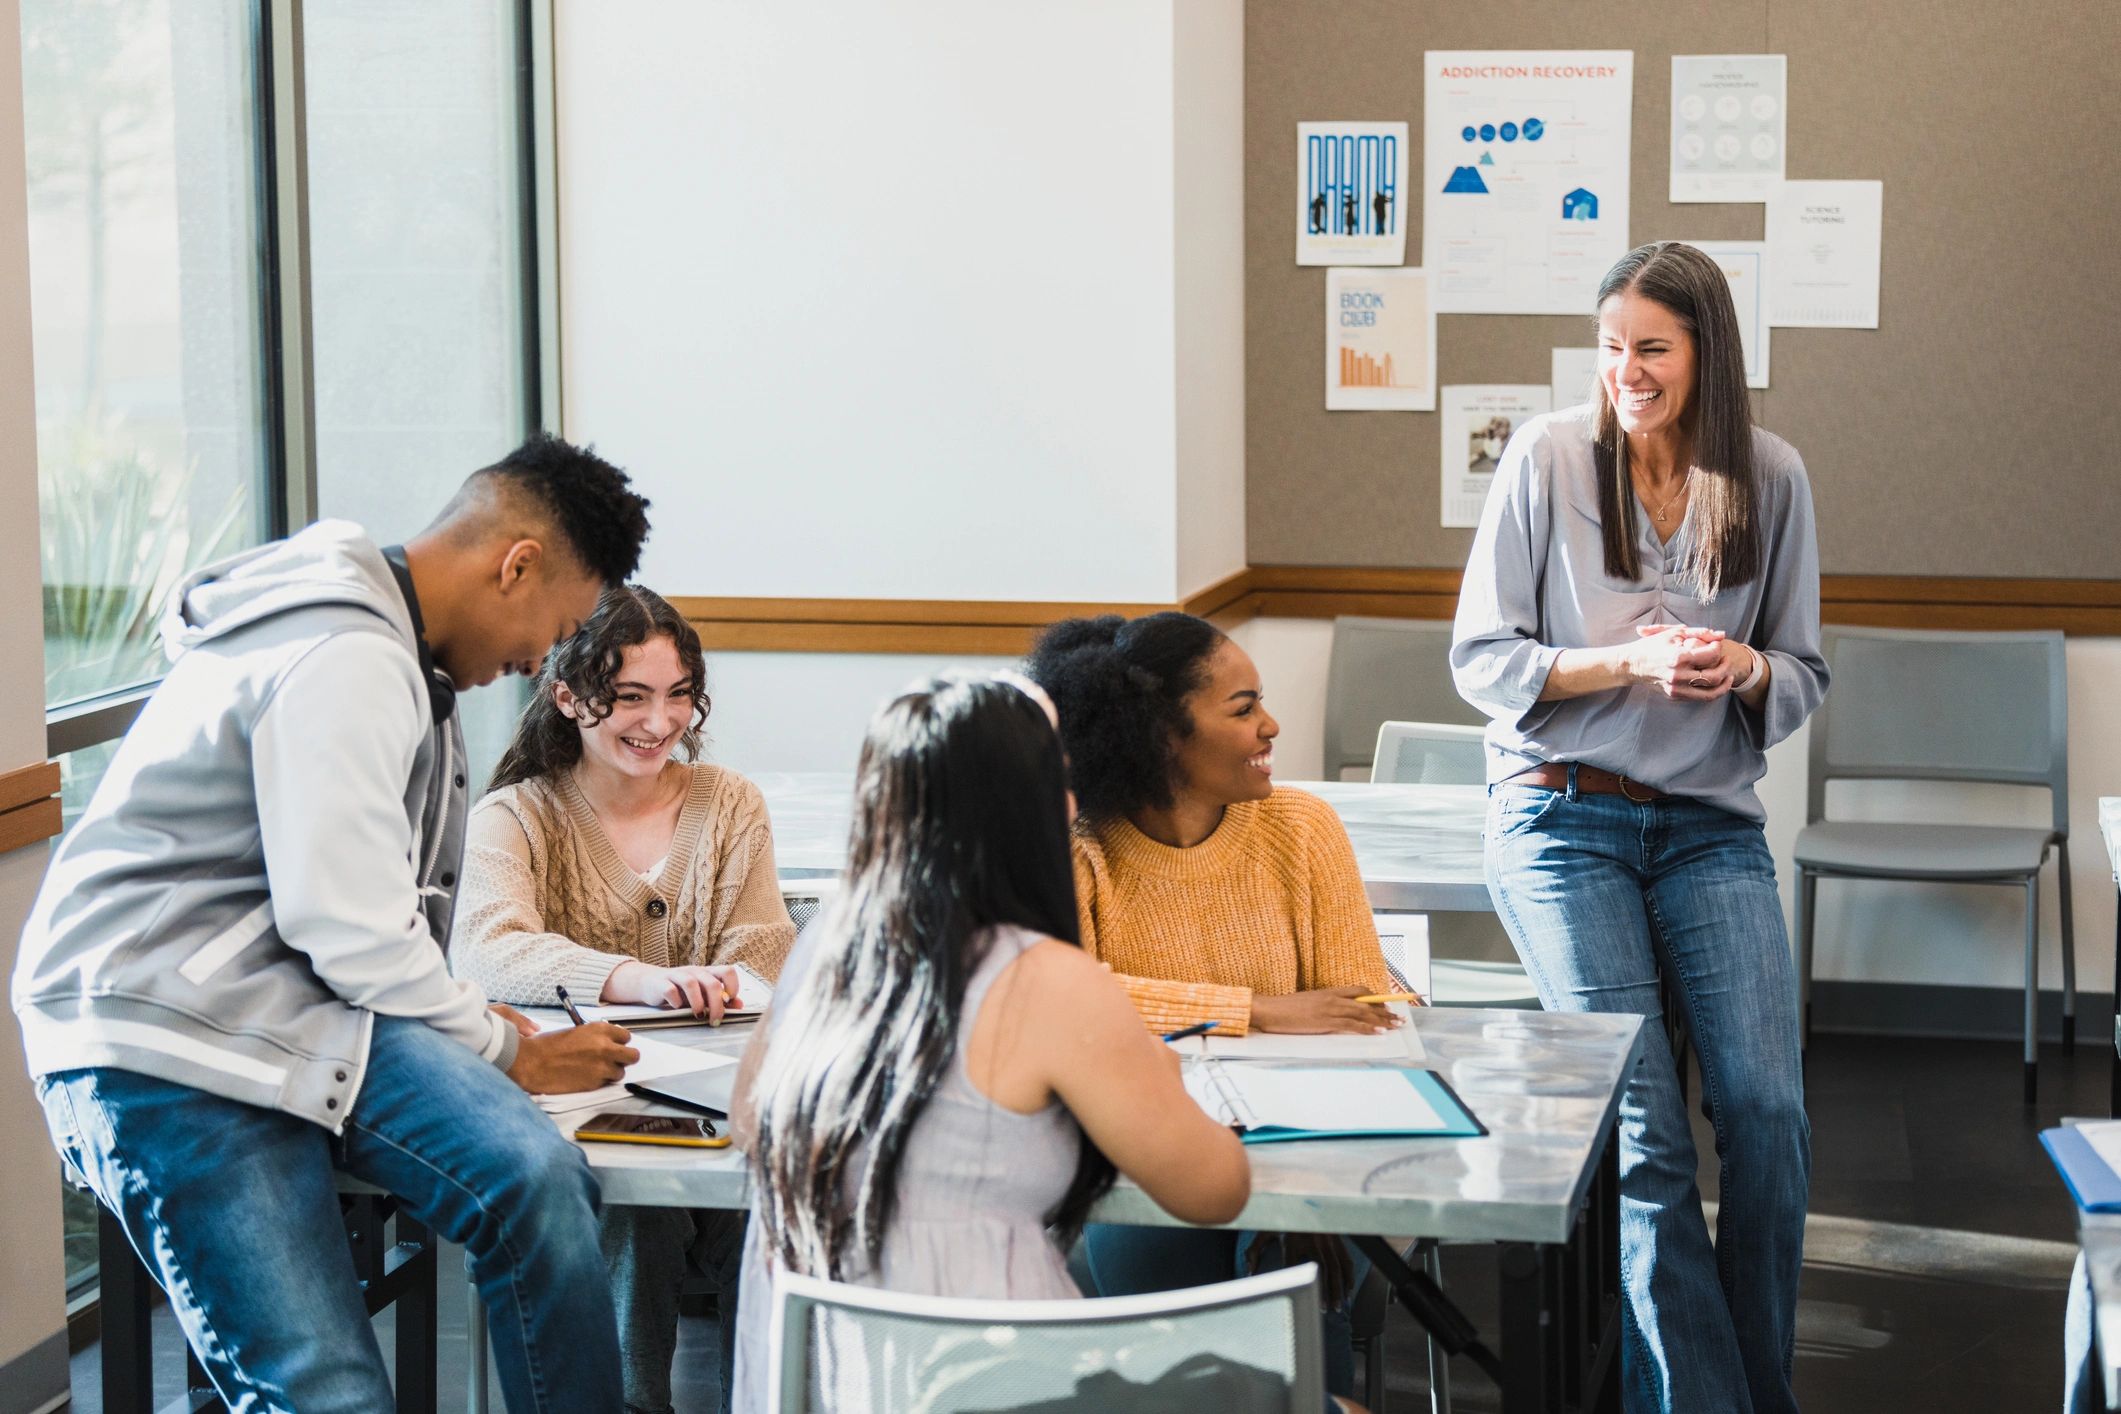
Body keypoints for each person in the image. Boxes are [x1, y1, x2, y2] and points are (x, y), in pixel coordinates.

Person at [12, 433, 652, 1412]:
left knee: (536, 1181)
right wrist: (498, 1045)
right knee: (328, 1396)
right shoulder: (347, 651)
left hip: (301, 1005)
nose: (537, 662)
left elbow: (356, 927)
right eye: (554, 629)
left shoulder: (393, 653)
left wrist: (481, 1030)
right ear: (514, 563)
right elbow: (346, 922)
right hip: (167, 1034)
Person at [1452, 240, 1829, 1414]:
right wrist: (1623, 660)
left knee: (1767, 1115)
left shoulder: (1771, 476)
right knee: (1648, 1138)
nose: (1626, 369)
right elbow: (1480, 657)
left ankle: (1744, 1386)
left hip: (1708, 825)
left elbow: (1807, 670)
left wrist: (1750, 664)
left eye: (1651, 347)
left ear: (1705, 353)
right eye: (1612, 345)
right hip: (1561, 818)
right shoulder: (1545, 456)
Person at [725, 673, 1268, 1411]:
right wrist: (1159, 1076)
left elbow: (748, 1122)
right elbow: (1215, 1190)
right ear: (1030, 808)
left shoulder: (822, 948)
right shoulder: (1043, 979)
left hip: (827, 1377)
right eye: (1061, 783)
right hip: (996, 1376)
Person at [1025, 610, 1395, 1401]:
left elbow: (1360, 1005)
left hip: (1304, 1150)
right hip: (1138, 1154)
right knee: (1173, 1361)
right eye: (1241, 708)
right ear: (1158, 736)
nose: (1272, 724)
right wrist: (1259, 1010)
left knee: (1291, 1300)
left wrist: (1198, 1013)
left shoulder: (1302, 828)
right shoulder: (1078, 845)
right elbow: (1061, 1005)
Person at [452, 583, 795, 1414]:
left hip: (717, 1110)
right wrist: (640, 980)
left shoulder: (729, 803)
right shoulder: (517, 815)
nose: (659, 720)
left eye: (678, 695)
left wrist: (727, 983)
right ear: (568, 697)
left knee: (778, 1213)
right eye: (630, 696)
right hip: (587, 1124)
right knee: (631, 1217)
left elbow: (763, 950)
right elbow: (490, 950)